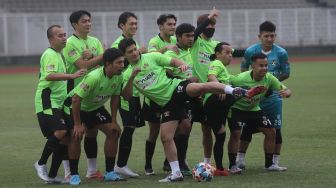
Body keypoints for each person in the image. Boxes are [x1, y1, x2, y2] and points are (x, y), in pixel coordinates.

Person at [118, 38, 259, 182]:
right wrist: (132, 77)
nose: (135, 53)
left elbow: (172, 62)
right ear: (124, 55)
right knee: (166, 137)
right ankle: (176, 173)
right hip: (166, 104)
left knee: (201, 87)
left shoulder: (150, 57)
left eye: (135, 49)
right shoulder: (127, 73)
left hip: (175, 88)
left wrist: (183, 65)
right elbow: (127, 96)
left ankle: (234, 90)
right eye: (130, 52)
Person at [67, 48, 128, 185]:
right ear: (107, 64)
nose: (122, 66)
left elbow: (115, 97)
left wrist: (114, 121)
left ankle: (110, 173)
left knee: (114, 132)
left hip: (95, 109)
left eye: (123, 62)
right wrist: (77, 124)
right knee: (76, 135)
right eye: (119, 63)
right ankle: (74, 175)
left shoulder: (119, 76)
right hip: (78, 108)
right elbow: (76, 99)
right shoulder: (94, 77)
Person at [34, 25, 86, 184]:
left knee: (67, 137)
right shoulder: (49, 54)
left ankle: (51, 176)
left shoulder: (60, 54)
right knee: (61, 131)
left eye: (64, 35)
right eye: (59, 35)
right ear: (51, 39)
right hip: (47, 100)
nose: (64, 38)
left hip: (60, 102)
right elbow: (49, 76)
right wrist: (72, 75)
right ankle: (40, 163)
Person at [238, 21, 290, 170]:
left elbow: (286, 72)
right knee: (248, 127)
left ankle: (274, 162)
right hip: (255, 98)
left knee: (276, 129)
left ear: (275, 36)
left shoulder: (281, 53)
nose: (269, 39)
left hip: (273, 98)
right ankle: (240, 159)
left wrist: (270, 84)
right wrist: (253, 87)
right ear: (259, 36)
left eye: (272, 36)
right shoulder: (250, 51)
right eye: (266, 36)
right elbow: (243, 70)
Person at [62, 10, 105, 180]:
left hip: (93, 96)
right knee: (74, 135)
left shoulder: (94, 41)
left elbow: (104, 61)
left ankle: (92, 171)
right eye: (84, 21)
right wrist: (99, 57)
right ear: (75, 24)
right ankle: (68, 173)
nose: (88, 23)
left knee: (92, 132)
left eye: (89, 21)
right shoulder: (69, 43)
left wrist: (95, 56)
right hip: (75, 94)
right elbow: (82, 65)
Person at [231, 53, 291, 171]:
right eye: (261, 66)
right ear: (253, 66)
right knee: (236, 134)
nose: (264, 68)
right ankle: (235, 163)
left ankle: (269, 165)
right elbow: (226, 84)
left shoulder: (269, 78)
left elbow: (286, 89)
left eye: (266, 65)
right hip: (238, 109)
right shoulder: (240, 78)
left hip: (254, 109)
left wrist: (287, 93)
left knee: (271, 132)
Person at [112, 11, 146, 178]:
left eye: (135, 23)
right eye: (131, 24)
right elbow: (118, 68)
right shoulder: (119, 44)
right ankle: (120, 165)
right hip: (124, 92)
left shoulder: (131, 42)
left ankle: (121, 164)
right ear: (121, 26)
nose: (134, 26)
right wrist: (140, 51)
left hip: (133, 91)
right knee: (129, 127)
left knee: (131, 127)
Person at [144, 13, 178, 175]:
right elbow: (152, 58)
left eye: (174, 24)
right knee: (154, 130)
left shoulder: (175, 40)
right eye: (169, 24)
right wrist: (165, 48)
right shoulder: (154, 41)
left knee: (174, 128)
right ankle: (148, 164)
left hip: (170, 90)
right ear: (161, 26)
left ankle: (168, 163)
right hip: (154, 95)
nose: (172, 27)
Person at [203, 42, 242, 175]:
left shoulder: (223, 67)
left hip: (220, 105)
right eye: (227, 53)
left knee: (221, 135)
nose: (230, 56)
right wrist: (219, 86)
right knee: (220, 134)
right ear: (218, 54)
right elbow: (211, 76)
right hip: (214, 103)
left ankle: (220, 168)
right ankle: (219, 168)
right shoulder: (216, 63)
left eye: (231, 53)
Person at [190, 7, 220, 165]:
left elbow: (233, 52)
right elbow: (196, 32)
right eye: (208, 25)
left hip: (209, 93)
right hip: (194, 91)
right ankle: (178, 162)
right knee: (185, 128)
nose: (211, 28)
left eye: (213, 25)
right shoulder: (195, 41)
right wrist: (209, 17)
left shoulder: (216, 45)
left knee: (207, 128)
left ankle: (207, 161)